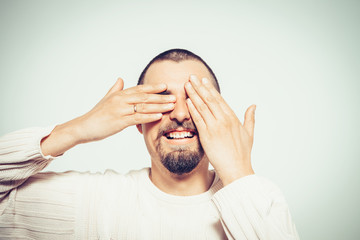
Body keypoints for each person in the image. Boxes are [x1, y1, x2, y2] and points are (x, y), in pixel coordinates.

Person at [0, 49, 299, 239]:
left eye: (196, 101)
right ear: (138, 119)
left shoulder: (262, 199)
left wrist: (237, 173)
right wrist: (78, 128)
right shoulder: (92, 202)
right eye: (161, 100)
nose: (180, 114)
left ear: (218, 115)